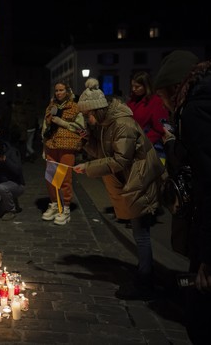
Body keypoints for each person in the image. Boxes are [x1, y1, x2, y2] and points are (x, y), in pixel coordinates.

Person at [154, 51, 211, 345]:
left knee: (203, 321)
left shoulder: (200, 107)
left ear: (175, 89)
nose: (165, 107)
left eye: (163, 99)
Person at [73, 78, 165, 300]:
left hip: (140, 179)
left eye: (89, 115)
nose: (88, 119)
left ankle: (146, 280)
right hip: (130, 180)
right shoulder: (106, 124)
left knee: (141, 232)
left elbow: (119, 160)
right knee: (138, 230)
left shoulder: (121, 124)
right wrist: (86, 141)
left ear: (99, 109)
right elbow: (103, 152)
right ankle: (145, 273)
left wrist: (88, 167)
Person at [40, 82, 85, 225]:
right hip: (51, 146)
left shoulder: (75, 107)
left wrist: (63, 123)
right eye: (57, 90)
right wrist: (44, 147)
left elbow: (81, 129)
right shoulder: (50, 107)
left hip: (67, 146)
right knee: (51, 177)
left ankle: (65, 208)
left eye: (61, 90)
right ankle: (54, 204)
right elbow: (45, 127)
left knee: (64, 178)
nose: (59, 93)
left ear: (67, 91)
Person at [126, 71, 168, 162]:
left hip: (150, 146)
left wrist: (143, 142)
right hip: (132, 145)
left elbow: (160, 128)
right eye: (132, 86)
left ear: (146, 86)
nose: (133, 89)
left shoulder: (156, 102)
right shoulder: (131, 102)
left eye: (137, 87)